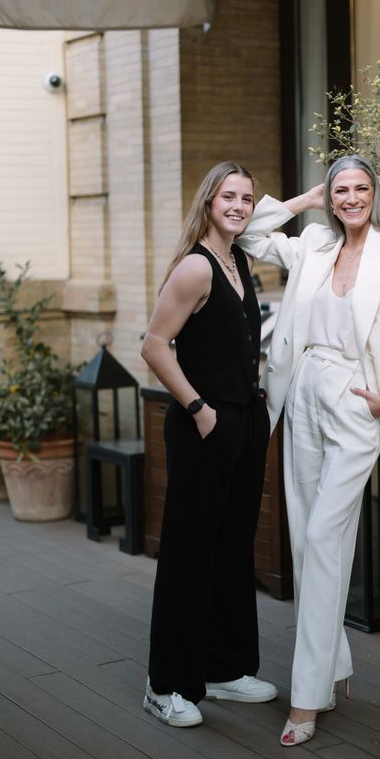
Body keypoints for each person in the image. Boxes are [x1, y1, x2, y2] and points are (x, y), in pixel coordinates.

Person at [238, 155, 380, 746]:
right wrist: (302, 202)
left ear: (377, 194)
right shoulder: (314, 246)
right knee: (307, 541)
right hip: (303, 392)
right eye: (341, 189)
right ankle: (333, 665)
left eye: (362, 188)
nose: (352, 198)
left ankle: (306, 699)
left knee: (326, 536)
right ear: (331, 196)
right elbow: (247, 231)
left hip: (356, 400)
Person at [140, 161, 277, 728]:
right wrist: (199, 411)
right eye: (229, 197)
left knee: (230, 549)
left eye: (247, 198)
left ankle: (224, 669)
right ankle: (165, 683)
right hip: (205, 427)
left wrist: (309, 198)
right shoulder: (197, 267)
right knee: (189, 552)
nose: (240, 206)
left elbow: (270, 217)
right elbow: (153, 345)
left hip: (245, 424)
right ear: (209, 201)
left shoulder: (240, 260)